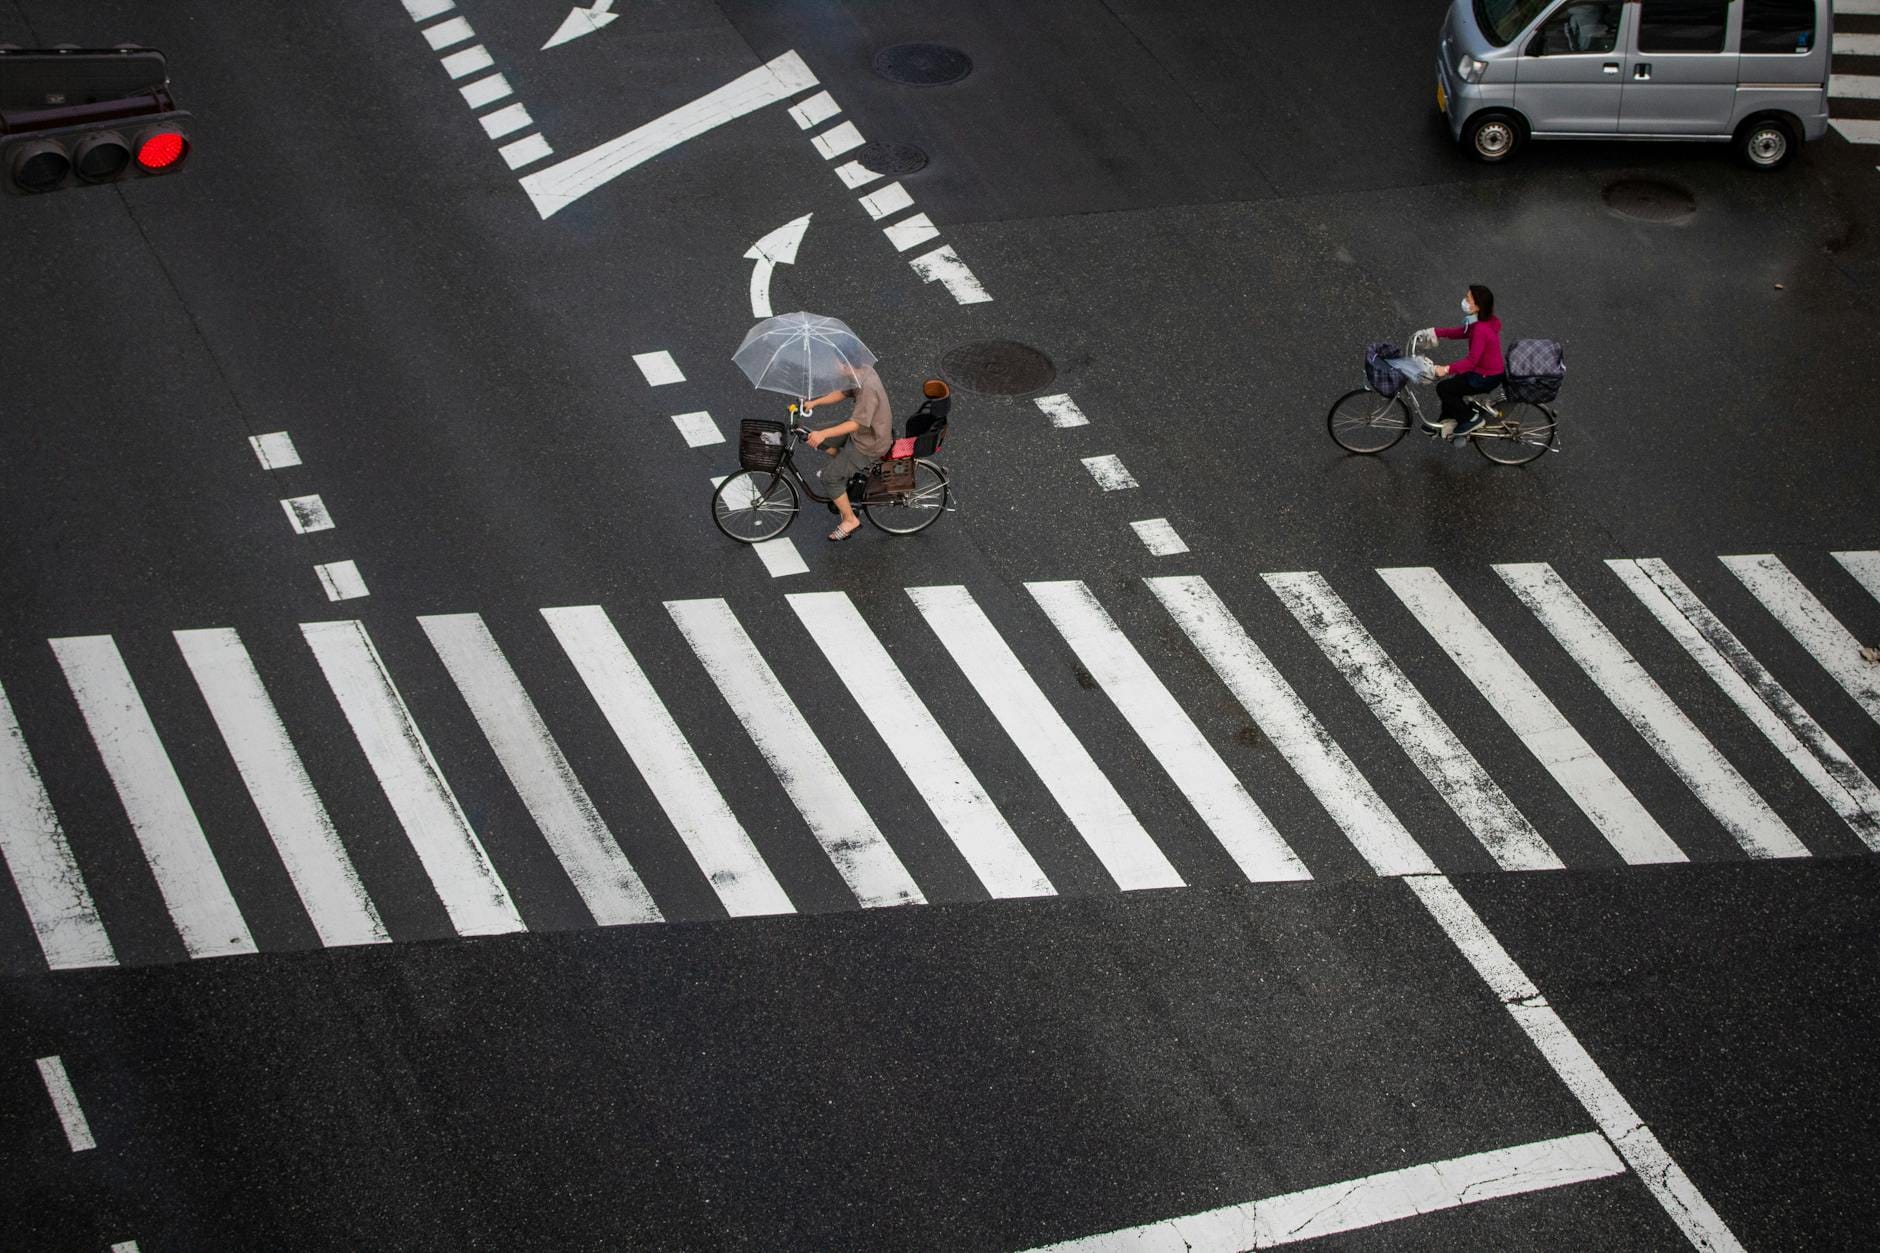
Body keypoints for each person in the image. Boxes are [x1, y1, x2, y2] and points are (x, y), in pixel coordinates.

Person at [803, 362, 894, 541]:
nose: (837, 368)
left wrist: (823, 434)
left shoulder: (868, 388)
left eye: (840, 364)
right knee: (812, 435)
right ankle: (845, 468)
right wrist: (815, 402)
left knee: (829, 478)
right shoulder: (860, 373)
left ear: (849, 364)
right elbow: (843, 393)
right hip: (861, 434)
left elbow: (856, 424)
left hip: (869, 443)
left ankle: (850, 520)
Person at [1424, 285, 1504, 437]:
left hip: (1484, 377)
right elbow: (1462, 332)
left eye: (1468, 299)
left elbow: (1472, 360)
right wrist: (1434, 332)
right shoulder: (1483, 321)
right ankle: (1446, 421)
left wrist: (1446, 369)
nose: (1464, 301)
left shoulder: (1481, 329)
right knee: (1452, 386)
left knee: (1445, 388)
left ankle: (1470, 419)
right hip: (1485, 371)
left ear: (1478, 306)